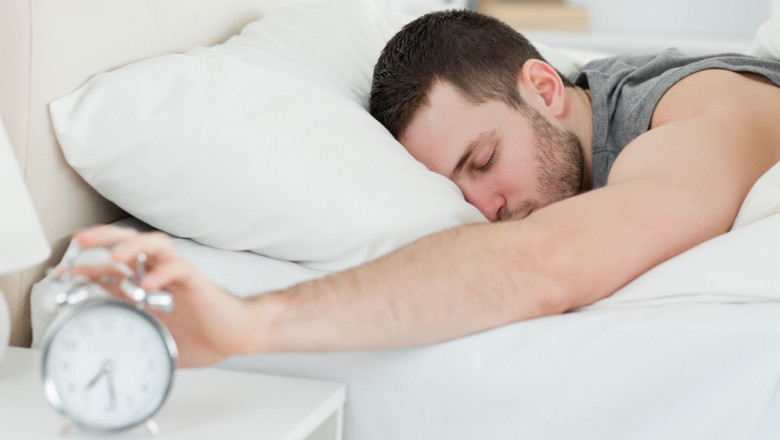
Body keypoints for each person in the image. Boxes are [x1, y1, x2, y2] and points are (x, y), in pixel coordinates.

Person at [73, 10, 780, 368]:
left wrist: (254, 323)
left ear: (543, 86)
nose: (484, 208)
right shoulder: (584, 106)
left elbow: (545, 264)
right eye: (456, 188)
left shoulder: (695, 116)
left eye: (482, 158)